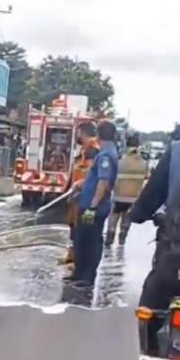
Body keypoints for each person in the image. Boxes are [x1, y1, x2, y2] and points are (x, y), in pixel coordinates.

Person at [130, 116, 180, 355]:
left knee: (151, 306)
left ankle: (151, 357)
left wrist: (137, 214)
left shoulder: (178, 151)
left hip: (174, 254)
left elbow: (151, 195)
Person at [66, 120, 119, 286]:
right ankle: (79, 272)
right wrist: (81, 184)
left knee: (90, 240)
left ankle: (86, 276)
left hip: (93, 208)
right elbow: (95, 177)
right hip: (89, 204)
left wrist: (93, 205)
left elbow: (103, 182)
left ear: (99, 134)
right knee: (82, 238)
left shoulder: (105, 156)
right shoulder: (106, 152)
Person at [62, 121, 100, 267]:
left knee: (83, 231)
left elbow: (92, 176)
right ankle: (72, 257)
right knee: (74, 228)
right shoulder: (85, 150)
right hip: (77, 199)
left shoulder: (92, 151)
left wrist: (79, 187)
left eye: (78, 132)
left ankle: (81, 264)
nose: (76, 135)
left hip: (86, 201)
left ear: (82, 132)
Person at [105, 133, 147, 246]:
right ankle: (122, 240)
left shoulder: (119, 160)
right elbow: (147, 178)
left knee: (113, 217)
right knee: (126, 220)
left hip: (118, 196)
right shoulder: (144, 162)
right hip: (134, 198)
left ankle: (110, 237)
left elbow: (110, 177)